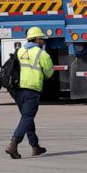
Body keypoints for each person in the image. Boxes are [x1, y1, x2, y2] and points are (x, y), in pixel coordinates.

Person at [5, 27, 54, 159]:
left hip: (17, 90)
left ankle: (35, 146)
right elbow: (49, 73)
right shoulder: (41, 54)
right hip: (31, 90)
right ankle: (13, 144)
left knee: (26, 118)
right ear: (37, 39)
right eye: (42, 39)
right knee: (27, 118)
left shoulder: (19, 51)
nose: (43, 41)